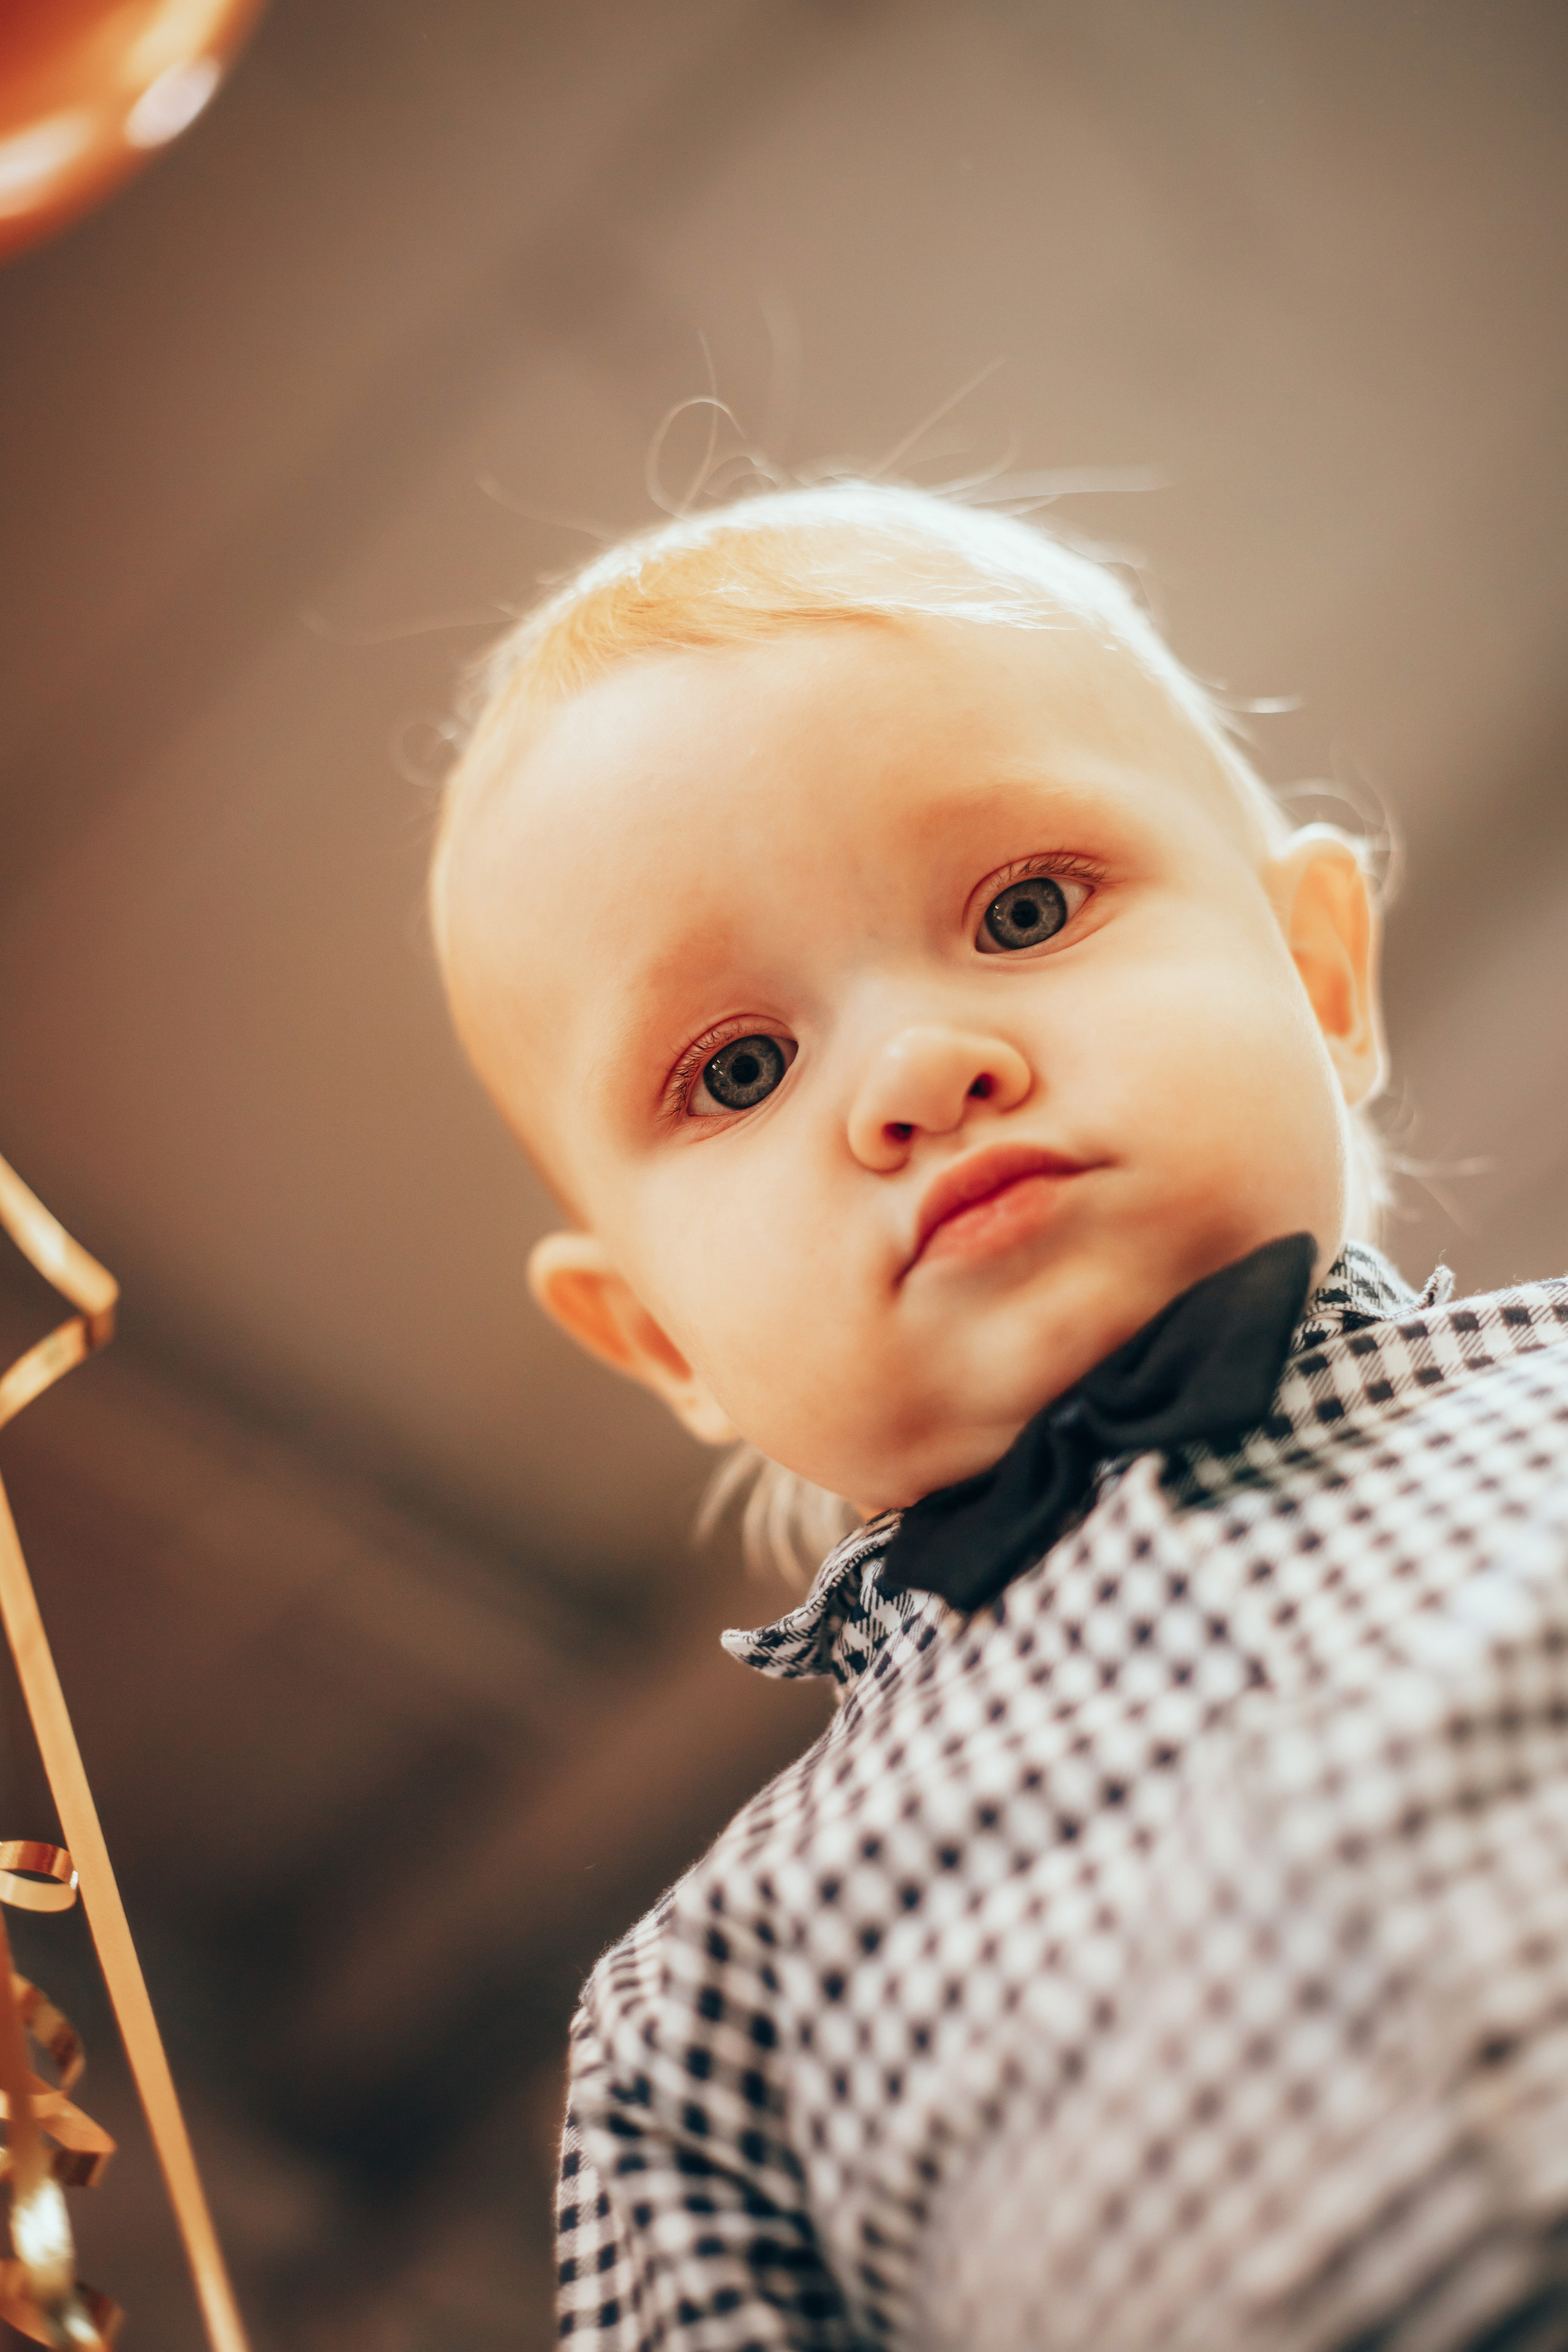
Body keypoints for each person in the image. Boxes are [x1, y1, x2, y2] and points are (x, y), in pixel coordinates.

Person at [428, 481, 1568, 2350]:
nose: (916, 1067)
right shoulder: (703, 2010)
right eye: (737, 1066)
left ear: (1317, 974)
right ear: (658, 1343)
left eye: (1024, 908)